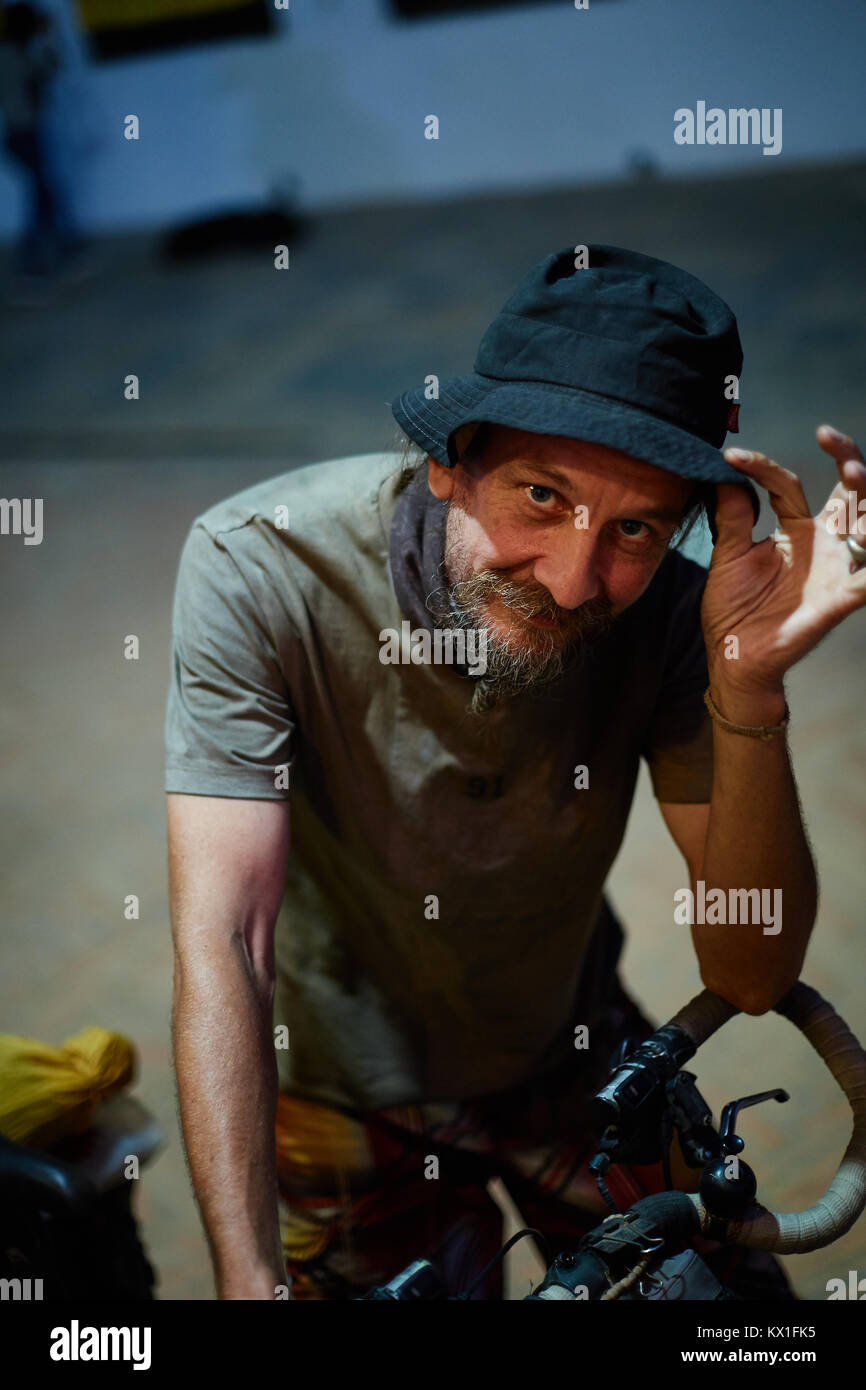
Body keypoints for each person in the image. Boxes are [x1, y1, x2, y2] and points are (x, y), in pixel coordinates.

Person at [165, 243, 866, 1300]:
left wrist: (750, 692)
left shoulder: (677, 616)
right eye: (539, 495)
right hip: (335, 1077)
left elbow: (753, 976)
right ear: (450, 456)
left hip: (572, 1046)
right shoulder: (258, 569)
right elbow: (226, 935)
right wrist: (245, 1276)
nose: (573, 577)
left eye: (633, 528)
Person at [0, 2, 84, 281]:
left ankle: (61, 246)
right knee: (42, 195)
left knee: (46, 192)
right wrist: (49, 37)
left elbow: (51, 68)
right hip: (23, 134)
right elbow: (49, 68)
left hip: (25, 134)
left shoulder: (15, 54)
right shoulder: (11, 56)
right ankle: (33, 258)